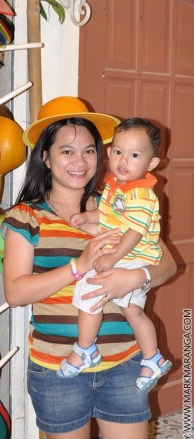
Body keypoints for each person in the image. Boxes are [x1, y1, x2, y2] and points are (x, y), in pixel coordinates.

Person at [2, 97, 177, 439]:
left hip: (124, 361)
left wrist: (137, 278)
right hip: (56, 367)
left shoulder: (119, 203)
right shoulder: (25, 217)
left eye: (88, 151)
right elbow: (15, 292)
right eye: (66, 150)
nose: (79, 162)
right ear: (45, 157)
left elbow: (166, 263)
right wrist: (77, 267)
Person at [58, 118, 172, 394]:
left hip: (132, 257)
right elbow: (109, 218)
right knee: (129, 309)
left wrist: (113, 257)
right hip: (121, 256)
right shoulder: (115, 186)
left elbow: (133, 231)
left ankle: (89, 349)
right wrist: (87, 217)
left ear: (152, 164)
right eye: (118, 151)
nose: (124, 160)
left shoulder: (142, 194)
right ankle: (149, 357)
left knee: (97, 297)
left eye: (134, 155)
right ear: (109, 153)